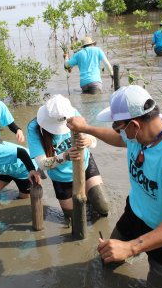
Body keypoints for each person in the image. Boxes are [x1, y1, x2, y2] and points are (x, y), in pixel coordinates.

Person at [67, 85, 162, 288]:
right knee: (108, 258)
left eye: (118, 125)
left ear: (135, 124)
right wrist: (87, 128)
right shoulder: (141, 131)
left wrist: (130, 248)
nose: (118, 130)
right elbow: (120, 139)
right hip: (134, 214)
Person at [26, 94, 109, 227]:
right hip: (61, 177)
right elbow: (42, 163)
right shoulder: (34, 128)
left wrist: (88, 141)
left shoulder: (72, 113)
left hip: (85, 164)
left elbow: (92, 138)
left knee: (102, 205)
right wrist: (65, 156)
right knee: (77, 220)